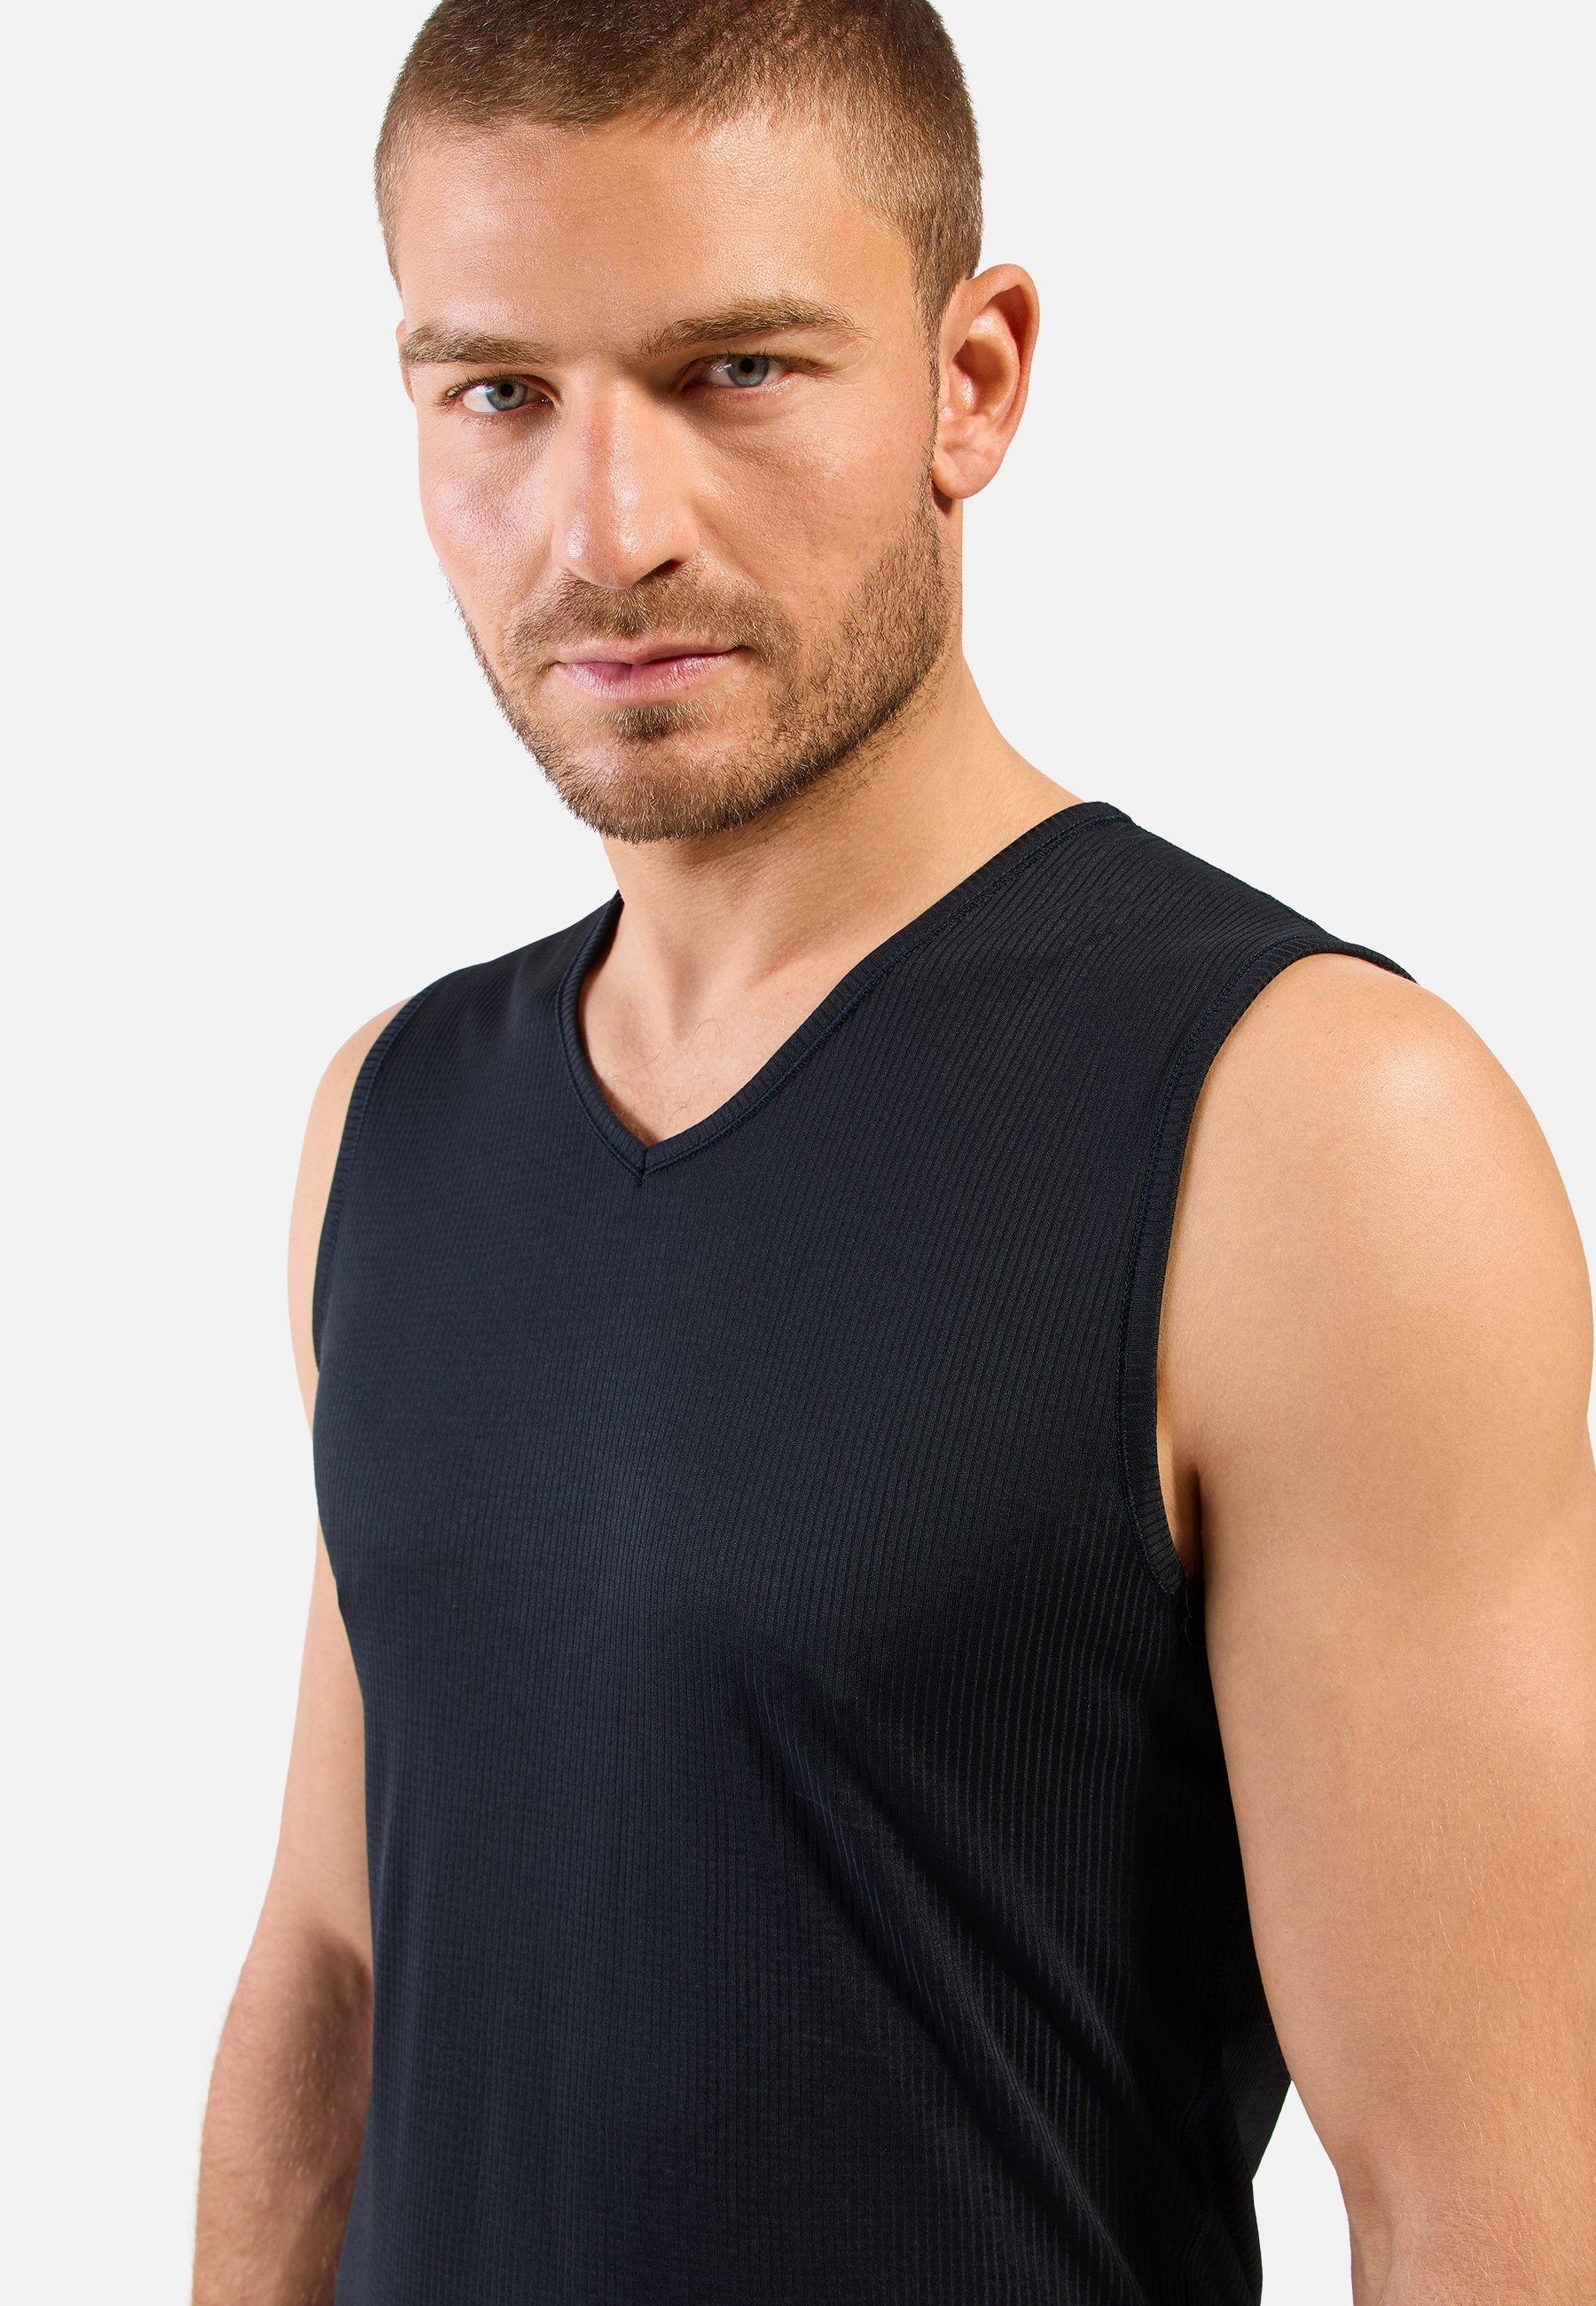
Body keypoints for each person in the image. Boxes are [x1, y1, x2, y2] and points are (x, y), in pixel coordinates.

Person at [192, 3, 1596, 2300]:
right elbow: (333, 1982)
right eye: (501, 394)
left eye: (734, 370)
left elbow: (1490, 2215)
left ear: (974, 378)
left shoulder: (1316, 1131)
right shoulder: (393, 1121)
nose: (606, 530)